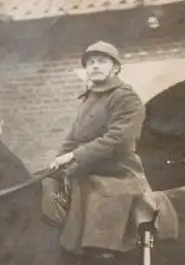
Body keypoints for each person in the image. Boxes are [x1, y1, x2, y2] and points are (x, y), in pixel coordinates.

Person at [49, 41, 157, 263]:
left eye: (101, 61)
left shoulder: (125, 97)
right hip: (85, 170)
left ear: (115, 68)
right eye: (90, 63)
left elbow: (119, 140)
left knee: (102, 203)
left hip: (116, 173)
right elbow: (73, 137)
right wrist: (56, 162)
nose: (95, 66)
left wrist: (75, 156)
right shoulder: (89, 98)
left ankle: (102, 256)